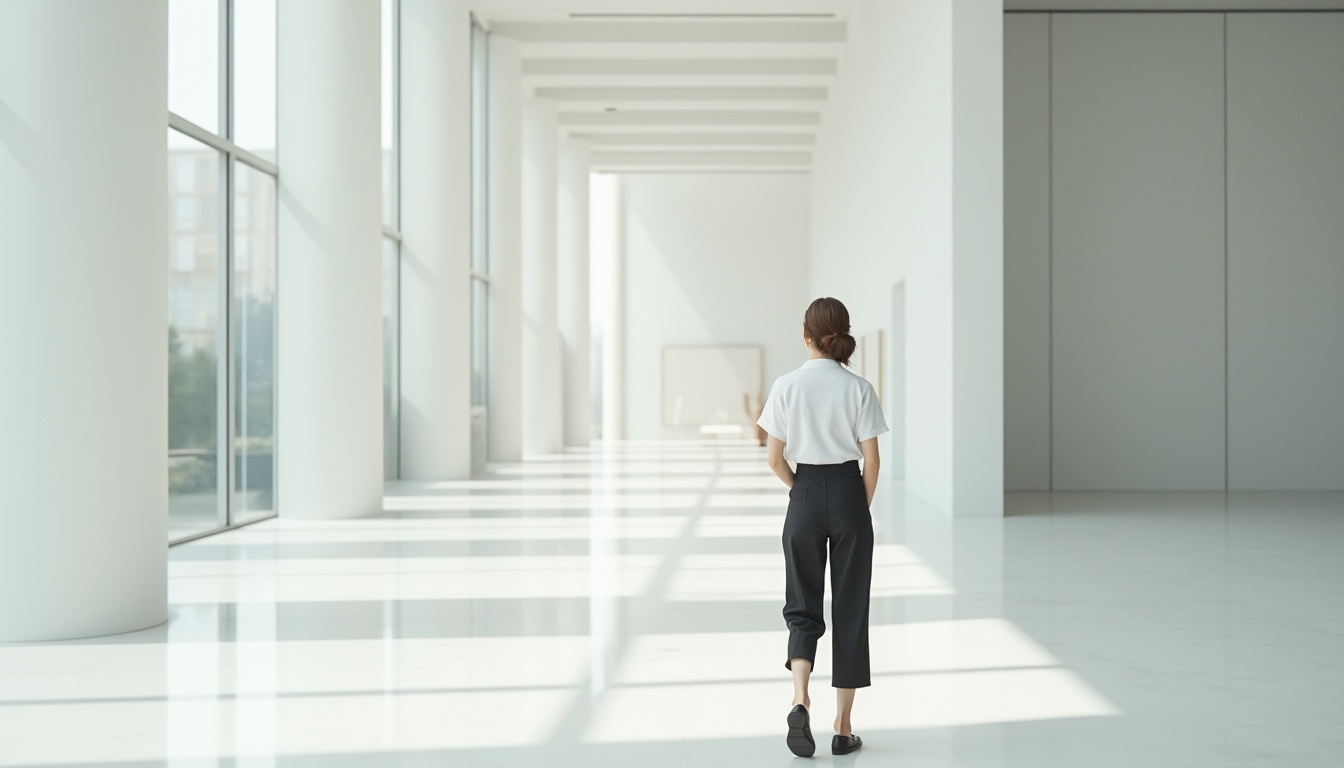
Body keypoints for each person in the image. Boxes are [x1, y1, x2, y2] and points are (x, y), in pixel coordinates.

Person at [756, 297, 888, 758]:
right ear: (843, 335)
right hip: (850, 493)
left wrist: (802, 491)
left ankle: (799, 697)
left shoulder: (786, 386)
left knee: (802, 602)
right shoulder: (859, 388)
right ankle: (843, 726)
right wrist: (858, 506)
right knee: (851, 608)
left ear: (806, 336)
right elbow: (872, 460)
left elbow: (774, 457)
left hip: (806, 494)